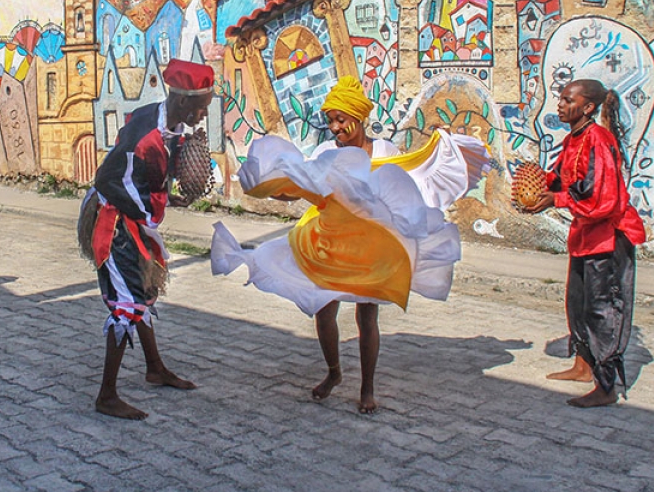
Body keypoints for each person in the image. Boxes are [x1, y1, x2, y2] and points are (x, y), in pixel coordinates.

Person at [212, 76, 488, 413]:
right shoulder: (326, 153)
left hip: (371, 249)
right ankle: (334, 372)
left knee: (367, 317)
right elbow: (300, 189)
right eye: (330, 120)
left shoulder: (385, 152)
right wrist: (269, 187)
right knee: (324, 310)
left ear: (358, 117)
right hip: (328, 242)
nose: (335, 128)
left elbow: (405, 191)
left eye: (341, 119)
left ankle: (367, 388)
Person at [77, 59, 213, 420]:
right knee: (127, 302)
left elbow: (150, 174)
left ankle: (155, 368)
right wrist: (162, 201)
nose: (203, 115)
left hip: (132, 217)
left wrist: (167, 190)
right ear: (182, 101)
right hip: (114, 221)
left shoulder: (165, 122)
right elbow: (109, 180)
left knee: (144, 292)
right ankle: (106, 395)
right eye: (201, 107)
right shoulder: (146, 137)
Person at [523, 79, 645, 408]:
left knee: (603, 309)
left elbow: (602, 198)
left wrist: (556, 199)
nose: (561, 105)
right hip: (585, 236)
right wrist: (535, 187)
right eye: (561, 99)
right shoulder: (573, 140)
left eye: (568, 100)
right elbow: (561, 179)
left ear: (588, 107)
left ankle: (606, 386)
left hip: (608, 238)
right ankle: (582, 366)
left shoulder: (599, 140)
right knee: (578, 304)